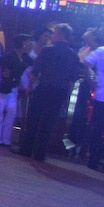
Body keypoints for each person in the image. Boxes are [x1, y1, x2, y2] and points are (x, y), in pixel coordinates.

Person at [18, 23, 81, 161]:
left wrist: (29, 86)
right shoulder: (73, 55)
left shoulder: (47, 50)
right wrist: (67, 96)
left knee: (33, 119)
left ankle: (26, 149)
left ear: (61, 34)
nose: (52, 36)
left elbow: (35, 71)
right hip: (60, 91)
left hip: (44, 87)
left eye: (54, 33)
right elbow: (72, 80)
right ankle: (40, 153)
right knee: (48, 122)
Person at [0, 33, 32, 146]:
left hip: (13, 86)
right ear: (23, 43)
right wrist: (5, 72)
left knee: (11, 111)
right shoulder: (11, 55)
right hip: (4, 84)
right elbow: (0, 60)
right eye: (29, 42)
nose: (31, 44)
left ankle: (5, 138)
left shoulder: (25, 57)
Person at [82, 28, 104, 169]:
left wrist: (91, 78)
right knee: (97, 128)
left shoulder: (101, 50)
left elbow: (86, 63)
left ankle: (94, 159)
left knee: (97, 127)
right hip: (101, 95)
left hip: (101, 96)